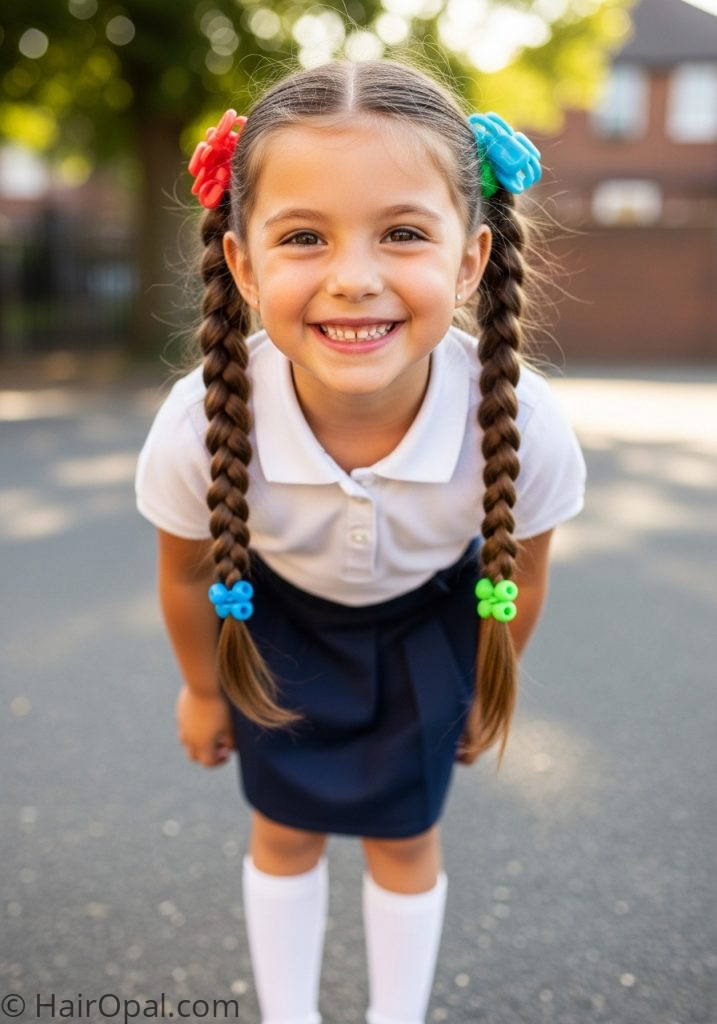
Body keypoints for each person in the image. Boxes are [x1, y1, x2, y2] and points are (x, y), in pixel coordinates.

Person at [135, 58, 586, 1024]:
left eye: (403, 233)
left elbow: (522, 577)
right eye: (303, 236)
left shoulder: (523, 421)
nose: (352, 277)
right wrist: (204, 686)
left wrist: (480, 676)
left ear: (468, 258)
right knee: (284, 834)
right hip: (273, 626)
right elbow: (181, 571)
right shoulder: (199, 420)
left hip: (427, 630)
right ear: (244, 263)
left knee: (405, 841)